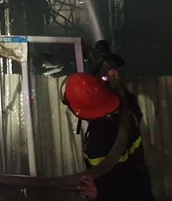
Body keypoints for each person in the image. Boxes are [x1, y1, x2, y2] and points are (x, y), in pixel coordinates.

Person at [63, 72, 154, 201]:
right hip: (143, 191)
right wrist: (115, 81)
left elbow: (118, 182)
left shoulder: (98, 139)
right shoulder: (125, 112)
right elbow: (133, 106)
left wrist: (98, 194)